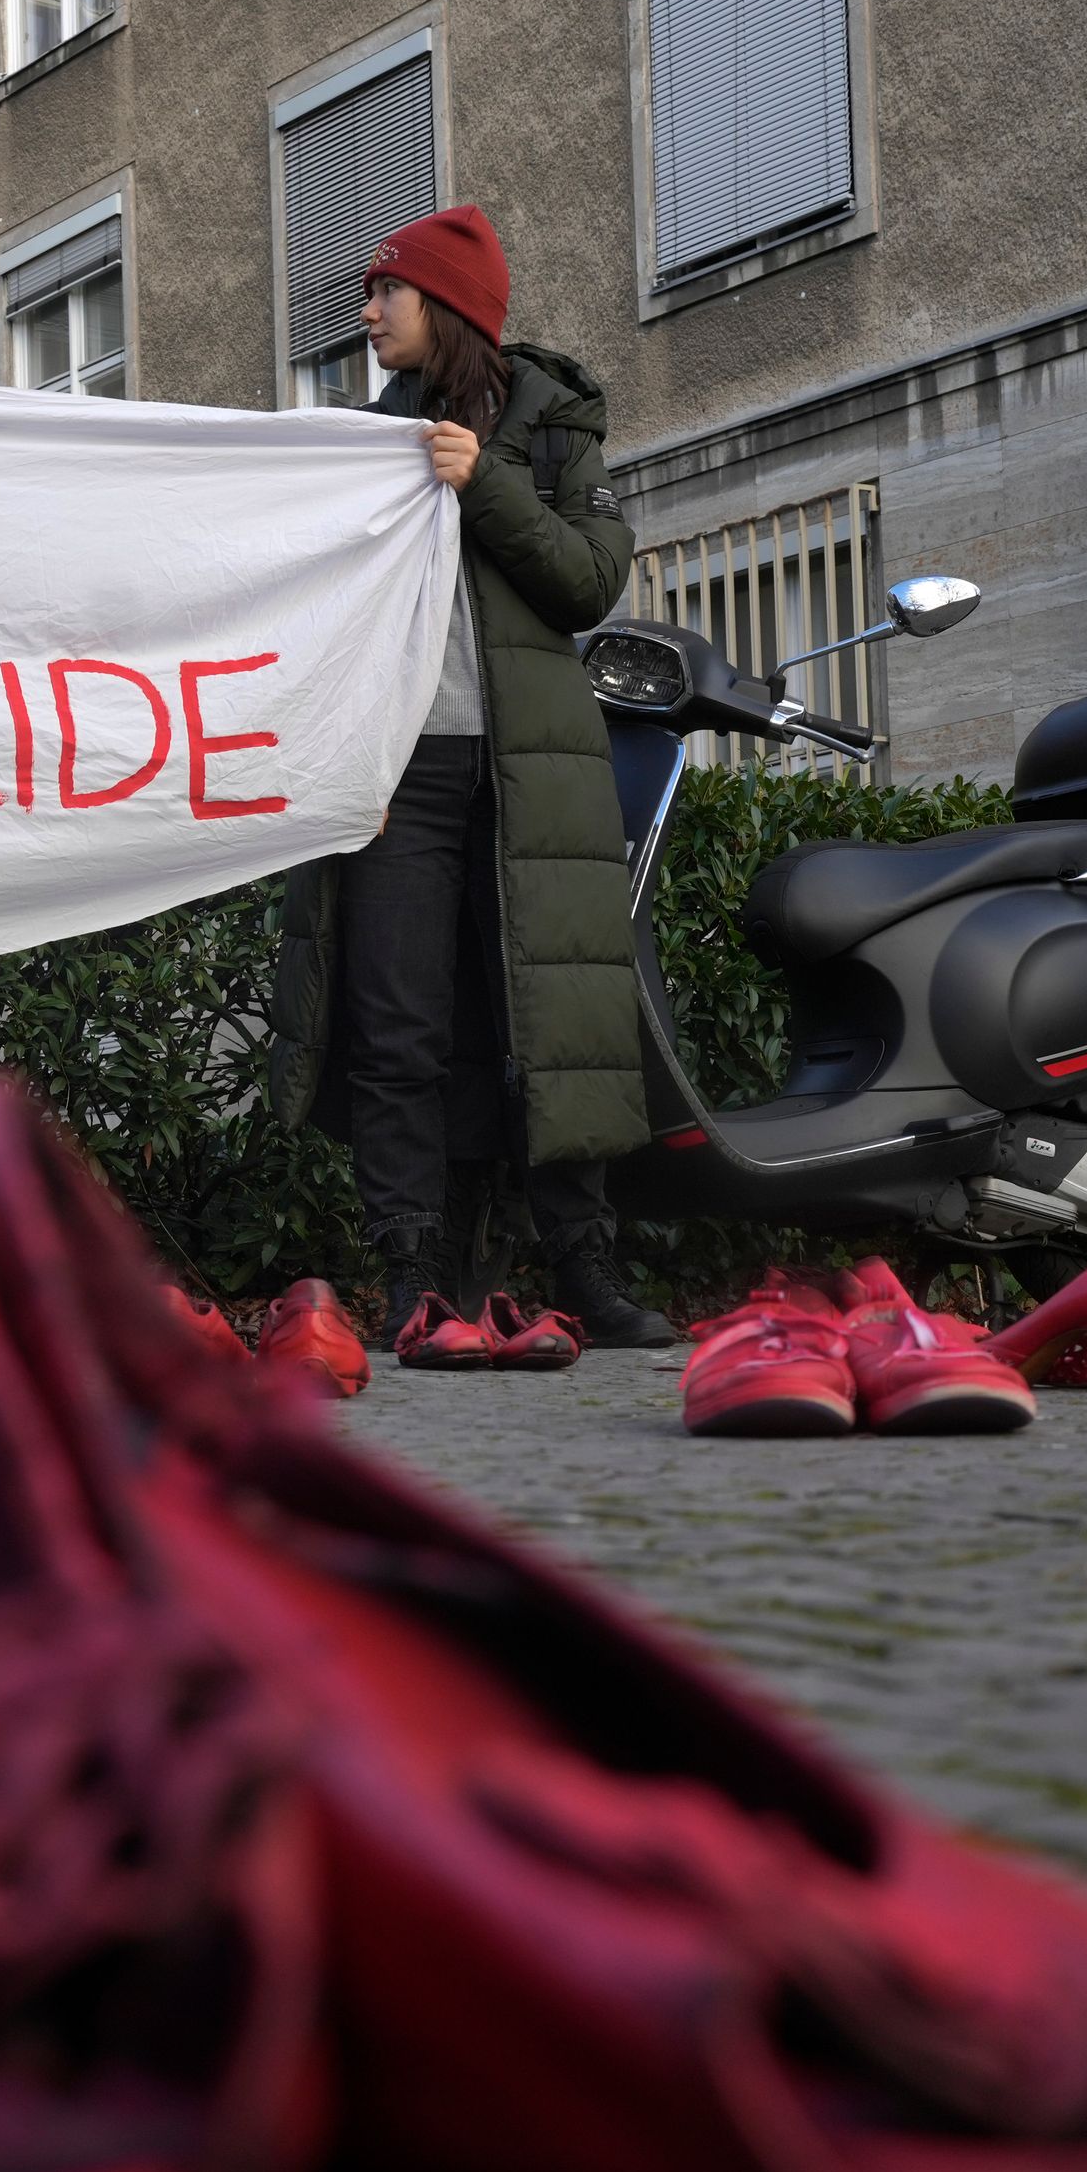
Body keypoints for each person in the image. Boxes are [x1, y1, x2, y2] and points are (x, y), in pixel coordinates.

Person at [265, 205, 677, 1358]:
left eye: (384, 292)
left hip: (530, 774)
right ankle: (414, 1274)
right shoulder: (361, 440)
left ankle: (586, 1268)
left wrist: (482, 480)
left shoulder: (550, 433)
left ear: (442, 305)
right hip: (403, 773)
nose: (365, 312)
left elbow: (589, 581)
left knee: (552, 1024)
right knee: (398, 1026)